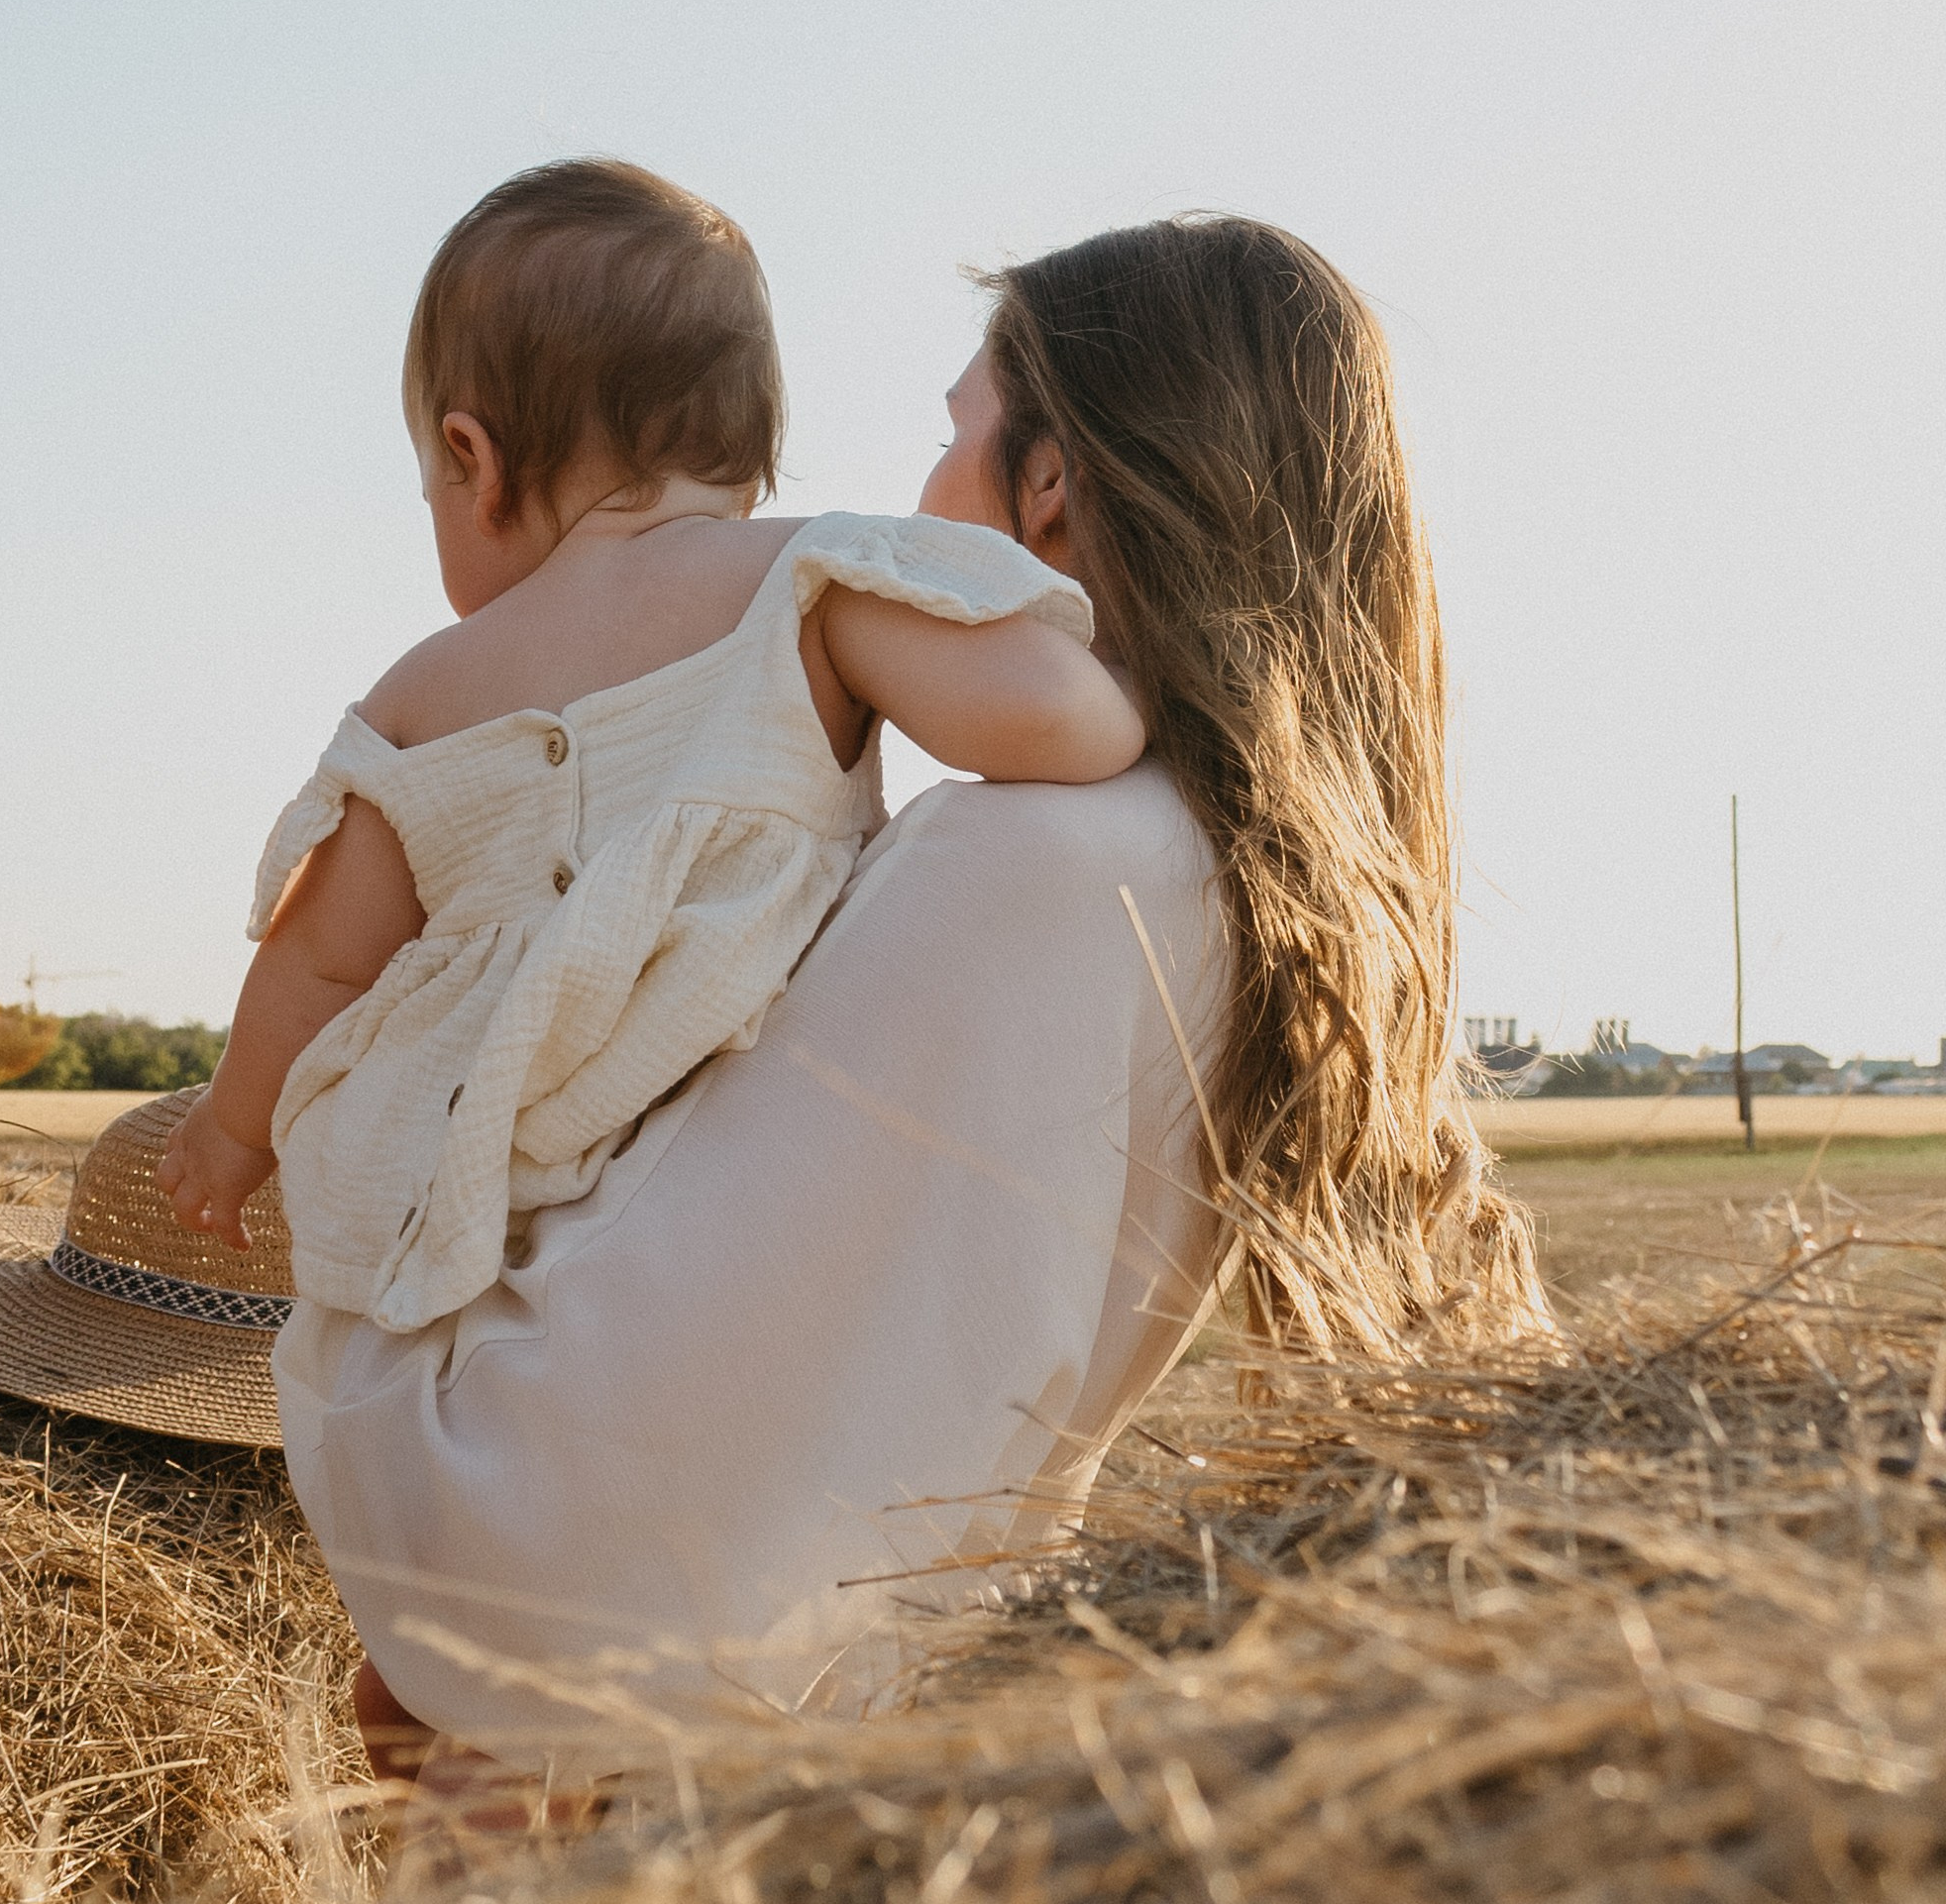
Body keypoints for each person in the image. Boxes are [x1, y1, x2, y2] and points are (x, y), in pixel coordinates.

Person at [239, 202, 1543, 1788]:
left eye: (958, 436)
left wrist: (490, 1655)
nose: (915, 493)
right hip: (815, 1687)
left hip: (581, 1597)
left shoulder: (1029, 858)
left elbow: (701, 1376)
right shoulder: (1236, 887)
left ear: (1047, 492)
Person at [162, 152, 1145, 1428]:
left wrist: (235, 1135)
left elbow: (315, 964)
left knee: (452, 1522)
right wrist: (1137, 697)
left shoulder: (420, 695)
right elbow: (1046, 724)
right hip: (718, 1214)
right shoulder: (809, 584)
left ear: (477, 459)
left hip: (461, 1228)